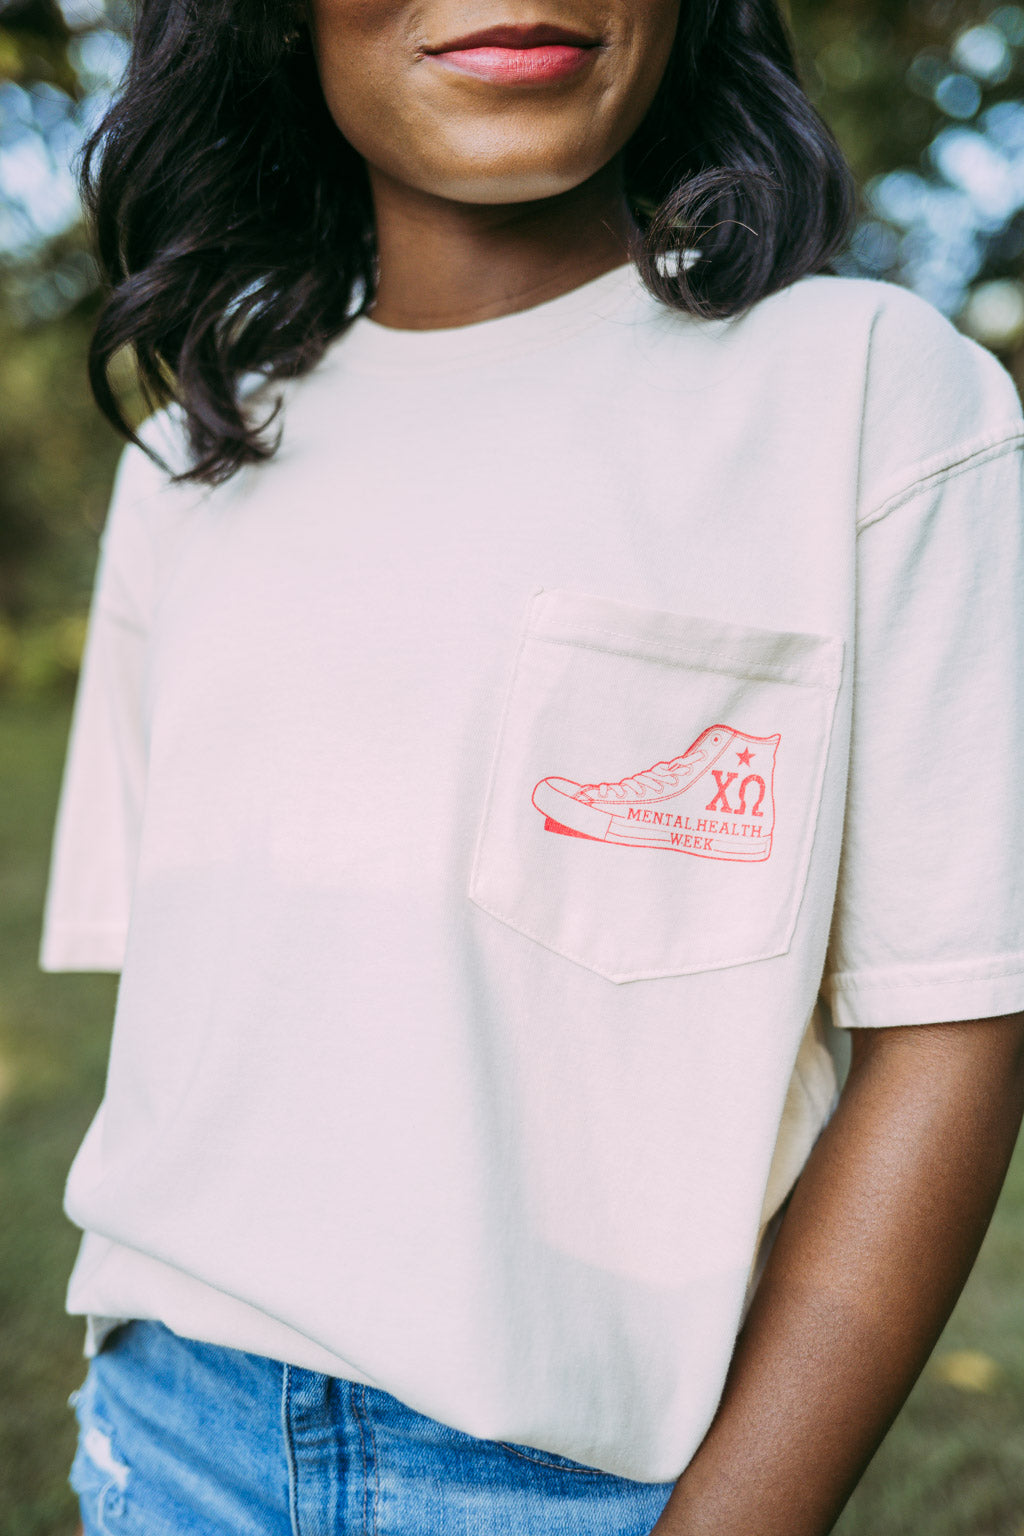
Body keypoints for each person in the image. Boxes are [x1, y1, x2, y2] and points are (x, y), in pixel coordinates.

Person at [41, 0, 1024, 1532]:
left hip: (579, 1487)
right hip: (168, 1439)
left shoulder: (868, 394)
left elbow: (955, 1033)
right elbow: (191, 1021)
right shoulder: (192, 451)